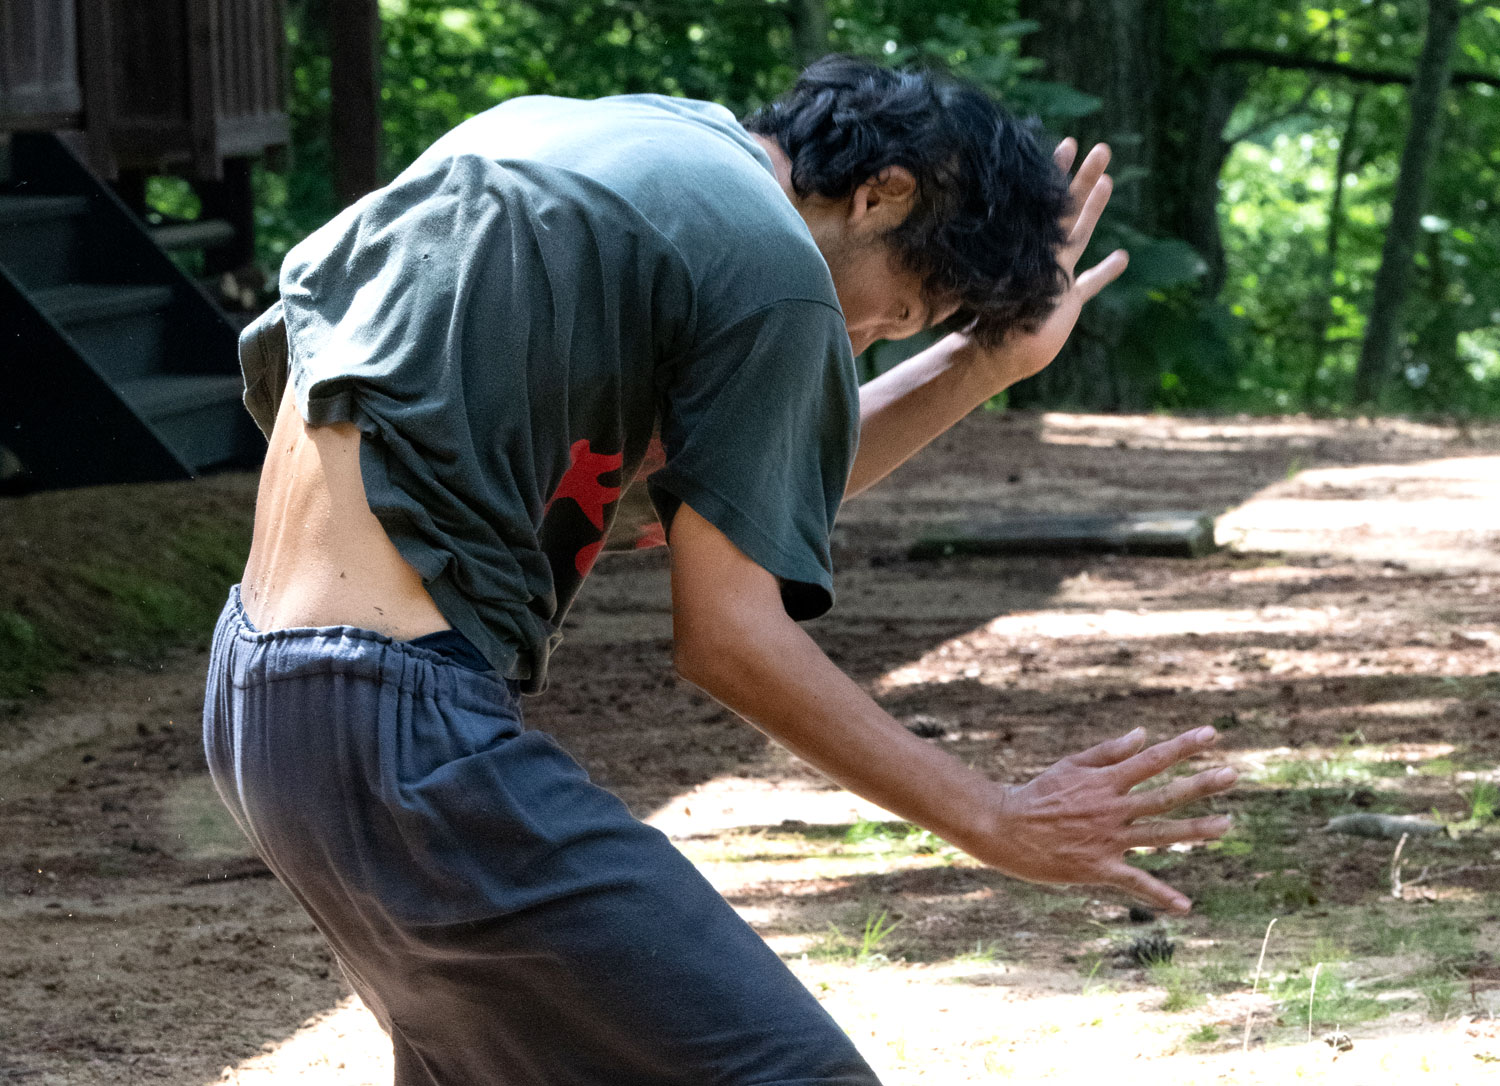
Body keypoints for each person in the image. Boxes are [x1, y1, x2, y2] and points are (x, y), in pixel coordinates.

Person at [204, 55, 1238, 1085]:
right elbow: (730, 636)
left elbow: (750, 486)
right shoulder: (774, 263)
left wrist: (986, 361)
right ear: (883, 193)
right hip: (396, 731)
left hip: (262, 705)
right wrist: (995, 816)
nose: (869, 338)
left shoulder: (606, 147)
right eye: (905, 309)